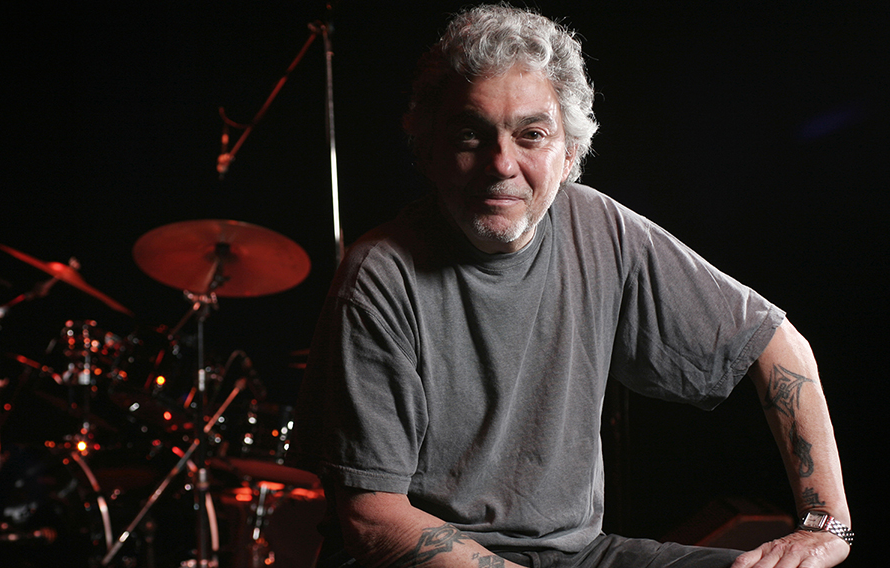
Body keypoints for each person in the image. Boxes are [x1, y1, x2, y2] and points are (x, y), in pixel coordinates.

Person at [292, 4, 852, 568]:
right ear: (430, 149)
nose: (501, 164)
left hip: (575, 555)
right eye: (470, 134)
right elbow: (372, 519)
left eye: (531, 135)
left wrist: (827, 525)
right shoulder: (379, 275)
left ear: (570, 154)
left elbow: (777, 345)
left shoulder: (600, 228)